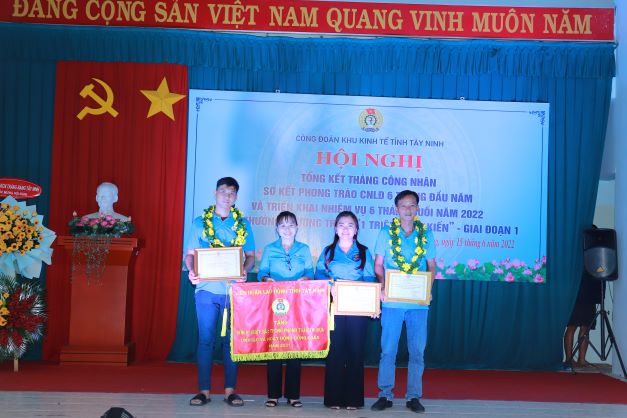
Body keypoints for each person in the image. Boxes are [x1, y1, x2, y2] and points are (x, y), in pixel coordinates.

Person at [184, 177, 255, 407]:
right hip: (206, 290)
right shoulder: (199, 223)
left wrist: (245, 270)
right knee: (206, 340)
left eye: (232, 192)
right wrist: (191, 270)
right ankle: (203, 391)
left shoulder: (243, 224)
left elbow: (250, 256)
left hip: (232, 291)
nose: (227, 196)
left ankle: (230, 391)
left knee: (230, 342)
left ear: (236, 197)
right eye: (223, 191)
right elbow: (190, 254)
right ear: (215, 193)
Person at [371, 190, 436, 414]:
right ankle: (385, 394)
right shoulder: (385, 232)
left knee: (417, 352)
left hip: (418, 304)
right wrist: (382, 285)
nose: (408, 210)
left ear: (417, 208)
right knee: (388, 351)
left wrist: (428, 289)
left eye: (412, 205)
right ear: (396, 209)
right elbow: (378, 265)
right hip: (392, 301)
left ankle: (413, 396)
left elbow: (431, 265)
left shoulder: (426, 234)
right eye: (403, 206)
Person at [314, 211, 375, 410]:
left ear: (356, 230)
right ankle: (333, 398)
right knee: (335, 352)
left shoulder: (364, 252)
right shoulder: (328, 251)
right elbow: (319, 274)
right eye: (341, 224)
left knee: (356, 352)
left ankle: (354, 400)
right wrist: (330, 284)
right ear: (335, 228)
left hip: (358, 309)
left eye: (350, 225)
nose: (346, 229)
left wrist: (373, 303)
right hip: (334, 307)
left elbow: (370, 279)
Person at [257, 211, 314, 408]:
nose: (287, 229)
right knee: (274, 348)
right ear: (277, 229)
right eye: (283, 225)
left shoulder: (304, 249)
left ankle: (293, 395)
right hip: (275, 303)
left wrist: (306, 278)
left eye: (291, 225)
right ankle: (273, 395)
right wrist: (266, 279)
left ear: (297, 228)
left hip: (297, 303)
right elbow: (262, 272)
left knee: (294, 348)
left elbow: (310, 272)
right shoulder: (269, 249)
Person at [564, 272, 603, 369]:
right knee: (571, 326)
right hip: (575, 294)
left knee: (585, 327)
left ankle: (582, 359)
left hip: (590, 295)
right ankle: (569, 359)